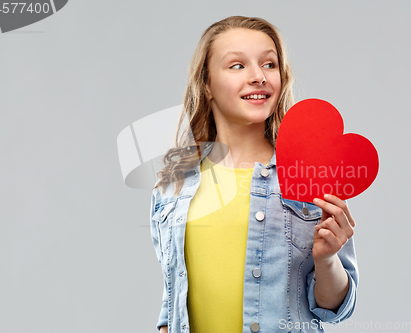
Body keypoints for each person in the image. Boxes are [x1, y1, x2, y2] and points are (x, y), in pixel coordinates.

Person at [150, 16, 358, 333]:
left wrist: (328, 259)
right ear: (206, 84)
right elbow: (172, 301)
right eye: (237, 66)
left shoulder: (310, 174)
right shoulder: (172, 184)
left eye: (269, 64)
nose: (258, 76)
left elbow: (335, 309)